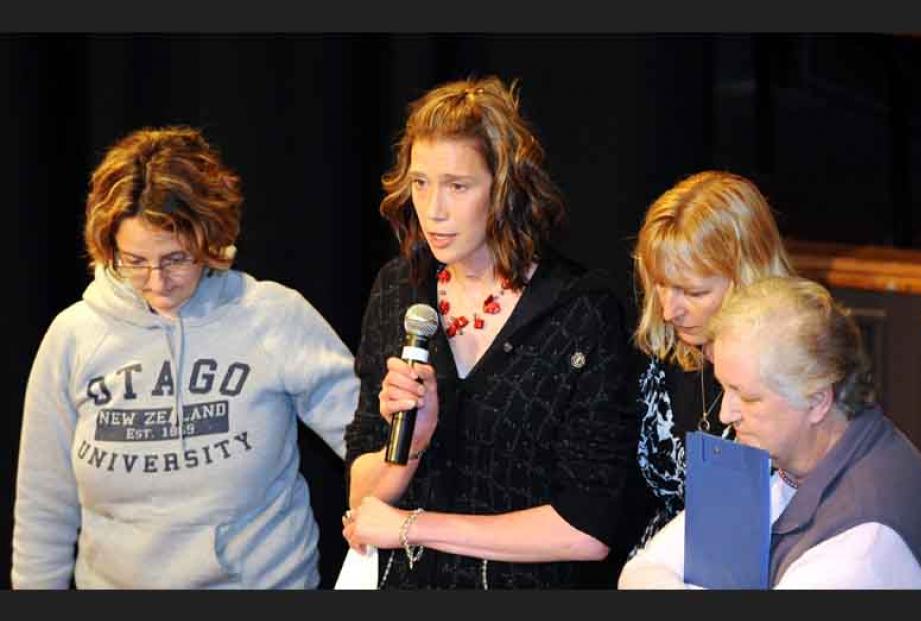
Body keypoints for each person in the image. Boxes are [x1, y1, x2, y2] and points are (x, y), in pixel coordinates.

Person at [12, 126, 360, 589]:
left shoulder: (273, 318)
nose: (157, 282)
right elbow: (43, 507)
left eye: (176, 258)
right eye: (134, 261)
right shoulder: (74, 337)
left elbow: (369, 442)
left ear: (212, 240)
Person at [341, 76, 643, 589]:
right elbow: (362, 498)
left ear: (504, 189)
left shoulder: (579, 311)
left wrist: (415, 528)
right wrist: (414, 445)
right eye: (419, 183)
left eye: (458, 186)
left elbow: (588, 528)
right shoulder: (400, 289)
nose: (433, 209)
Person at [619, 276, 921, 589]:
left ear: (818, 400)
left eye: (749, 397)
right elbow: (640, 571)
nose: (725, 414)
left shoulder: (864, 545)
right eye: (724, 389)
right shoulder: (789, 450)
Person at [630, 170, 794, 549]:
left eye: (693, 292)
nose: (670, 311)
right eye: (662, 285)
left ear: (746, 275)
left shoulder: (793, 369)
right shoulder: (664, 352)